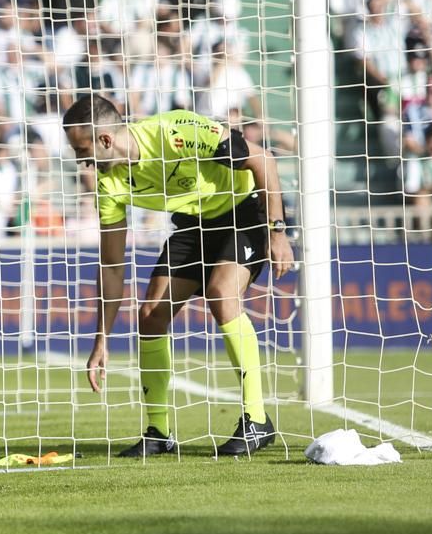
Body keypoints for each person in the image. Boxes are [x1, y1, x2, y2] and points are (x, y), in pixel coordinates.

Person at [62, 95, 294, 457]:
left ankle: (257, 420)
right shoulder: (108, 185)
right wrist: (101, 340)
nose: (81, 161)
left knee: (221, 292)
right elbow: (110, 265)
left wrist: (277, 231)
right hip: (193, 226)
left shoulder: (176, 133)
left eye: (82, 149)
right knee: (150, 313)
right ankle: (159, 432)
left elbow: (262, 159)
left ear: (105, 140)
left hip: (243, 213)